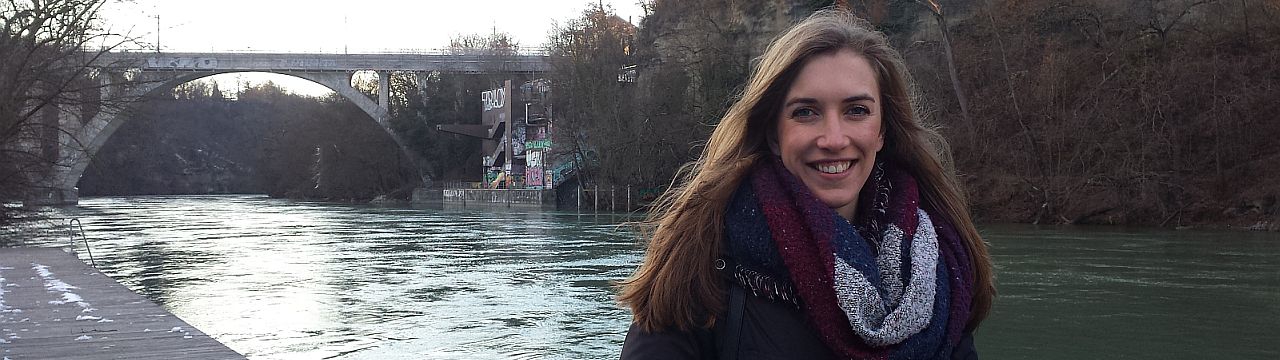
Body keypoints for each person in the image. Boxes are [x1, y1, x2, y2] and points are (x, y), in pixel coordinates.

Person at [617, 9, 994, 360]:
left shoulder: (937, 264)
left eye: (856, 111)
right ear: (773, 133)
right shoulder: (701, 258)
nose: (833, 138)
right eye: (806, 112)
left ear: (882, 130)